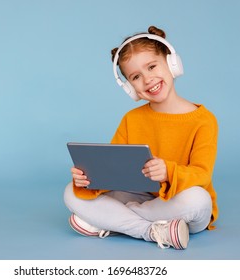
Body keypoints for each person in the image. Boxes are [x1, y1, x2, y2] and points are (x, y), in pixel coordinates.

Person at [64, 25, 219, 250]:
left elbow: (202, 174)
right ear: (130, 87)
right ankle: (152, 231)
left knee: (199, 199)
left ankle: (113, 221)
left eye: (152, 66)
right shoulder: (131, 119)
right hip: (138, 195)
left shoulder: (204, 120)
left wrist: (168, 171)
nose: (147, 80)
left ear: (172, 63)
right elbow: (112, 171)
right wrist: (89, 179)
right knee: (71, 193)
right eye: (136, 76)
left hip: (176, 201)